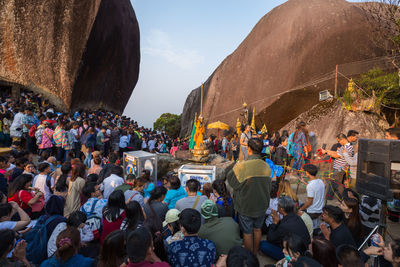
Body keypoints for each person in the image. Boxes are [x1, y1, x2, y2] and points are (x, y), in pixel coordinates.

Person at [227, 137, 271, 254]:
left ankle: (248, 256)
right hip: (262, 204)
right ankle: (255, 253)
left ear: (249, 149)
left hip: (246, 206)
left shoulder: (243, 166)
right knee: (257, 229)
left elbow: (232, 181)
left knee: (247, 232)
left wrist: (237, 166)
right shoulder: (266, 166)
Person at [260, 196, 310, 260]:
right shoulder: (296, 217)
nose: (276, 207)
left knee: (263, 244)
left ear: (282, 209)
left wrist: (274, 223)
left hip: (295, 255)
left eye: (278, 205)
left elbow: (270, 239)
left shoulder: (285, 226)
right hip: (302, 248)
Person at [321, 133, 353, 199]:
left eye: (339, 141)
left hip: (341, 169)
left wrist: (326, 152)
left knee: (337, 184)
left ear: (343, 139)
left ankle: (344, 198)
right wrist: (326, 151)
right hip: (339, 168)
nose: (338, 142)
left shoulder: (347, 147)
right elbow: (336, 153)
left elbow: (337, 156)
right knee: (333, 182)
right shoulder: (344, 146)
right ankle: (329, 197)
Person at [299, 164, 325, 230]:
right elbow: (314, 188)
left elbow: (309, 202)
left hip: (312, 211)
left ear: (307, 173)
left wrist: (300, 210)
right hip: (319, 209)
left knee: (298, 209)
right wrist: (304, 182)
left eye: (305, 172)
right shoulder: (320, 181)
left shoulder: (310, 186)